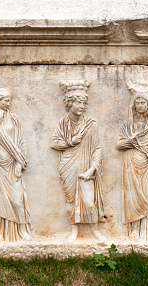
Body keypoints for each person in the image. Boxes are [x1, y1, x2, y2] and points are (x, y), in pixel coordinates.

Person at [51, 80, 106, 243]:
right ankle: (73, 229)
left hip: (86, 166)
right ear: (70, 103)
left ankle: (95, 230)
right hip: (68, 165)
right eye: (78, 102)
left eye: (84, 103)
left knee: (89, 202)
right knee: (70, 200)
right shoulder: (62, 123)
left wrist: (93, 168)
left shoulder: (91, 124)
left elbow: (97, 147)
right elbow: (54, 143)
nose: (82, 106)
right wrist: (70, 142)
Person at [116, 80, 148, 241]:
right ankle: (135, 232)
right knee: (133, 200)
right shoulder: (128, 126)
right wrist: (131, 141)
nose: (139, 105)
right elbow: (119, 144)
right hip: (131, 164)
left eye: (143, 102)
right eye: (137, 102)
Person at [0, 88, 32, 242]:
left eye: (9, 100)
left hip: (11, 162)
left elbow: (21, 141)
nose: (8, 103)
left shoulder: (14, 118)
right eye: (6, 100)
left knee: (17, 199)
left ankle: (22, 228)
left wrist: (19, 163)